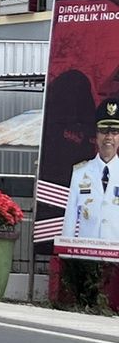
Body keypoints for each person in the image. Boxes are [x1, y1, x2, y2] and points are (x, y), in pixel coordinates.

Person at [62, 98, 119, 241]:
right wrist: (67, 257)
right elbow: (70, 218)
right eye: (103, 131)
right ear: (96, 135)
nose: (109, 137)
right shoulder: (80, 173)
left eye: (114, 131)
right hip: (87, 257)